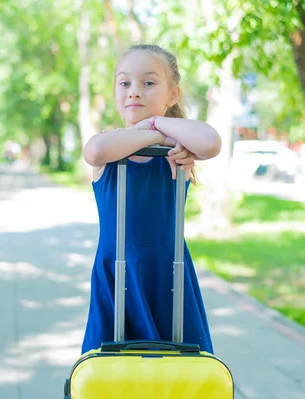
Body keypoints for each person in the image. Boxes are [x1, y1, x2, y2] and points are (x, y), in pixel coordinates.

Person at [81, 44, 222, 355]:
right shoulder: (109, 142)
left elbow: (211, 143)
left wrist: (157, 124)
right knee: (112, 368)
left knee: (179, 370)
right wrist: (158, 134)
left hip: (167, 274)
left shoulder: (178, 147)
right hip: (117, 271)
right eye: (124, 83)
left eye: (148, 83)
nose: (134, 92)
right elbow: (94, 152)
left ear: (172, 94)